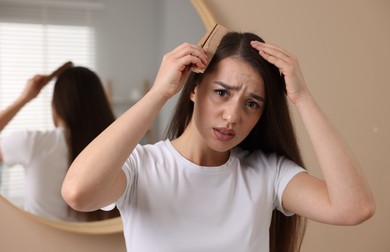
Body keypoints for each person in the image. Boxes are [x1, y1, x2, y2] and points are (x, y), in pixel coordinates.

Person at [62, 32, 375, 251]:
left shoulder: (267, 173)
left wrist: (302, 97)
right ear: (194, 89)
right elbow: (78, 193)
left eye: (252, 103)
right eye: (222, 93)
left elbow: (354, 208)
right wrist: (159, 93)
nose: (232, 116)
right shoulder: (141, 167)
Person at [0, 66, 120, 222]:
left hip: (39, 245)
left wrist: (24, 98)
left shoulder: (34, 143)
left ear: (56, 105)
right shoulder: (117, 150)